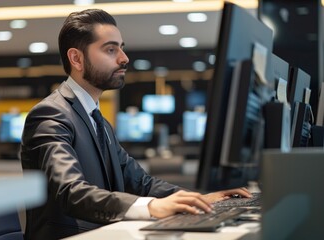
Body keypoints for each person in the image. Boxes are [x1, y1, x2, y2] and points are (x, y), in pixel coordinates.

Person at [20, 8, 251, 240]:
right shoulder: (51, 114)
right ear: (77, 58)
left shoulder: (98, 121)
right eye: (111, 49)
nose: (124, 58)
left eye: (122, 47)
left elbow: (141, 183)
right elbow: (71, 192)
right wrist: (151, 207)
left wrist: (197, 198)